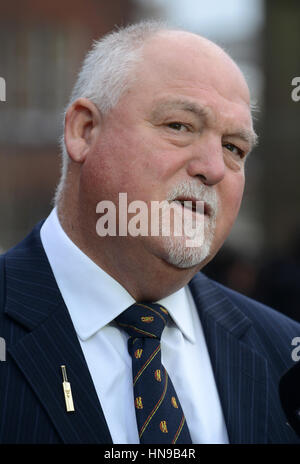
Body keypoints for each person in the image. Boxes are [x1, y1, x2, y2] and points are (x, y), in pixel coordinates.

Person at [0, 21, 299, 444]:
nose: (213, 168)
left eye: (234, 148)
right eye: (179, 126)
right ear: (84, 131)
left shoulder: (285, 353)